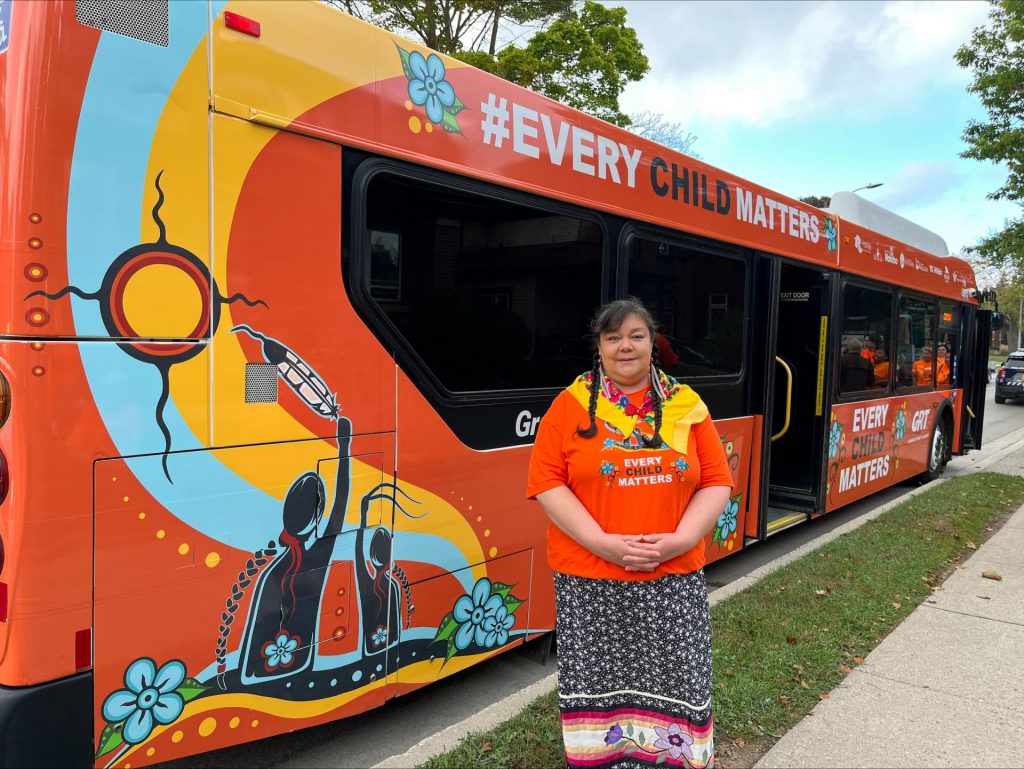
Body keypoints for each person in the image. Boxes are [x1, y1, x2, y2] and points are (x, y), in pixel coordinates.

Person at [526, 297, 733, 769]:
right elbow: (546, 483)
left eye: (636, 336)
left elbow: (717, 480)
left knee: (676, 678)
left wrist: (680, 540)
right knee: (599, 682)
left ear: (652, 343)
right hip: (589, 578)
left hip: (672, 575)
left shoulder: (686, 405)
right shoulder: (570, 406)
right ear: (598, 347)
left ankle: (674, 760)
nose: (625, 347)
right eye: (613, 337)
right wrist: (603, 544)